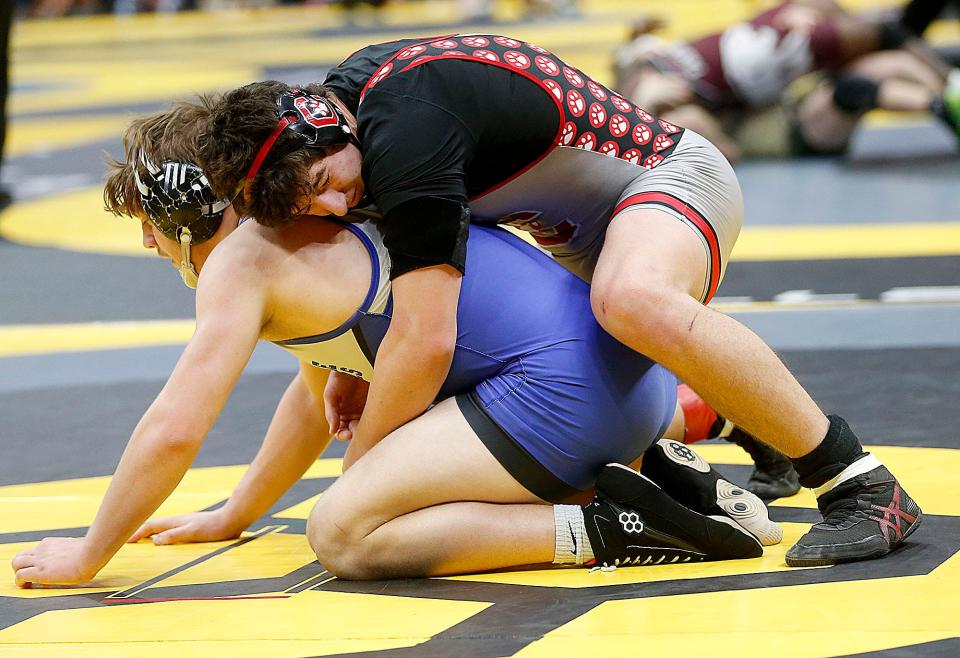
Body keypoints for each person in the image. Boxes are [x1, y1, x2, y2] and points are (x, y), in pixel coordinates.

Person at [200, 33, 922, 567]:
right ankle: (712, 441)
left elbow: (422, 340)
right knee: (560, 378)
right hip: (586, 232)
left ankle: (860, 483)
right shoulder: (353, 104)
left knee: (630, 300)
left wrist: (362, 476)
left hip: (667, 179)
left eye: (328, 180)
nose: (336, 204)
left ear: (325, 129)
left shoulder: (404, 136)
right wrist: (345, 379)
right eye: (313, 205)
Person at [10, 101, 779, 587]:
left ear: (185, 208)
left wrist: (90, 554)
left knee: (344, 533)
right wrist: (235, 511)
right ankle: (654, 466)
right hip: (620, 383)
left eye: (148, 220)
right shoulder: (323, 218)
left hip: (564, 398)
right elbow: (315, 394)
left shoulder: (246, 263)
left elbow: (176, 428)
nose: (146, 241)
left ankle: (616, 523)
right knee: (391, 419)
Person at [613, 1, 960, 161]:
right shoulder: (681, 113)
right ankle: (942, 104)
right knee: (855, 89)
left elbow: (628, 59)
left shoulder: (650, 66)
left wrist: (638, 41)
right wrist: (646, 107)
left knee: (888, 63)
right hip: (791, 130)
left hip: (786, 102)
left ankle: (950, 93)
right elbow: (727, 152)